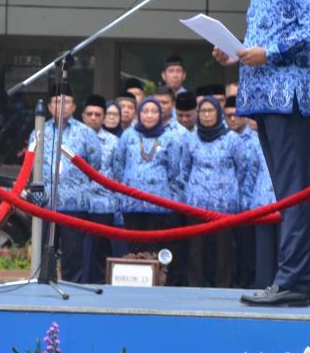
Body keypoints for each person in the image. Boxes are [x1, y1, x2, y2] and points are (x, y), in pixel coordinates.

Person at [213, 0, 310, 307]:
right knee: (284, 191)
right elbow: (258, 46)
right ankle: (292, 278)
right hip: (263, 98)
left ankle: (296, 281)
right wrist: (235, 53)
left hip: (288, 99)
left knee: (293, 191)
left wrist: (270, 52)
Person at [28, 83, 102, 283]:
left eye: (66, 102)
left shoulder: (86, 133)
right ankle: (43, 286)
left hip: (74, 203)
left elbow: (96, 164)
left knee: (73, 254)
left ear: (74, 106)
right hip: (45, 202)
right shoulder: (39, 130)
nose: (61, 106)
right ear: (50, 106)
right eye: (56, 102)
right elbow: (30, 162)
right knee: (44, 251)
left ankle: (72, 288)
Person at [112, 98, 187, 284]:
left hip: (158, 204)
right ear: (139, 114)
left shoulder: (169, 138)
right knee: (133, 248)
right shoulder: (128, 136)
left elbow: (175, 170)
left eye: (154, 111)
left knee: (156, 249)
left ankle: (156, 283)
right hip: (131, 203)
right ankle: (134, 285)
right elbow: (118, 165)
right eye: (145, 111)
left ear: (161, 114)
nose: (149, 115)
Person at [182, 96, 253, 288]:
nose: (206, 115)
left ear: (218, 113)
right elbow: (184, 168)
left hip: (224, 204)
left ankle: (223, 288)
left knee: (224, 251)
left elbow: (242, 169)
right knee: (196, 251)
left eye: (210, 111)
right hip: (196, 203)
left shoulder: (232, 139)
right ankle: (196, 287)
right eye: (203, 111)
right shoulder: (191, 139)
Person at [80, 94, 119, 283]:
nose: (93, 118)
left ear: (104, 117)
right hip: (77, 201)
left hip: (103, 202)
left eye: (98, 114)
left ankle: (101, 285)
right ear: (83, 116)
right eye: (89, 114)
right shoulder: (73, 137)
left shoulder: (113, 141)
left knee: (100, 248)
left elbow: (118, 172)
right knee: (77, 249)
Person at [226, 95, 263, 288]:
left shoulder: (257, 137)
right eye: (228, 115)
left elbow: (249, 173)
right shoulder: (223, 137)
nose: (233, 119)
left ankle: (249, 282)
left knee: (250, 249)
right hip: (229, 202)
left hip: (251, 203)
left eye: (237, 115)